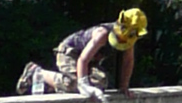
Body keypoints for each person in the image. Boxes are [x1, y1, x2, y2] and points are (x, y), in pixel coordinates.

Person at [16, 8, 148, 97]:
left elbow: (128, 61)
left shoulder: (131, 39)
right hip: (69, 53)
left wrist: (124, 87)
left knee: (100, 83)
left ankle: (52, 85)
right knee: (74, 84)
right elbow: (82, 60)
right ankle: (38, 72)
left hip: (90, 60)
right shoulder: (102, 34)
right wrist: (83, 84)